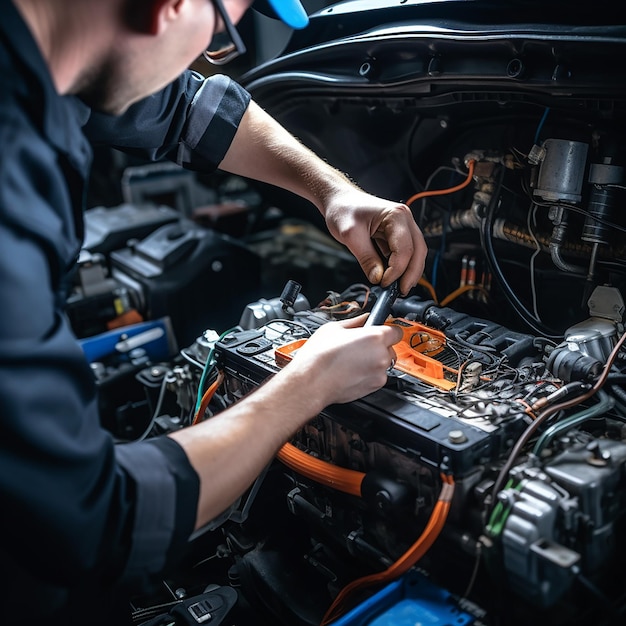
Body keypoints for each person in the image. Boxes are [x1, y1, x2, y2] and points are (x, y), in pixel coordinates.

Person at [0, 0, 427, 624]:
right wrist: (302, 387)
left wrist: (333, 190)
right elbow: (86, 527)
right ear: (170, 6)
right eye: (223, 31)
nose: (208, 53)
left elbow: (187, 110)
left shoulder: (54, 48)